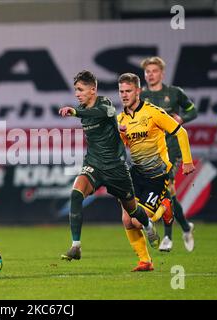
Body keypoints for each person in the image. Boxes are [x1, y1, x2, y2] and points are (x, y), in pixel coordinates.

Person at [58, 70, 161, 270]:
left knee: (133, 212)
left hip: (116, 169)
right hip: (94, 164)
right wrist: (116, 127)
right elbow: (106, 121)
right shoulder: (83, 109)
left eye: (81, 89)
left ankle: (148, 226)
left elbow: (102, 114)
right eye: (76, 90)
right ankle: (76, 246)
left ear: (93, 90)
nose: (77, 94)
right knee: (76, 193)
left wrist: (75, 112)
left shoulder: (104, 104)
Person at [117, 73, 195, 270]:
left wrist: (187, 162)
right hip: (135, 173)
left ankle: (165, 206)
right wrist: (120, 136)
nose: (124, 95)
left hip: (157, 175)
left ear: (138, 91)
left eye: (128, 91)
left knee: (137, 221)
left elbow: (181, 132)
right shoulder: (121, 119)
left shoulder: (154, 112)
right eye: (121, 91)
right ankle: (145, 261)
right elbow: (125, 146)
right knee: (127, 219)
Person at [140, 56, 197, 252]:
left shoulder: (174, 93)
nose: (150, 74)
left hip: (172, 149)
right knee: (167, 194)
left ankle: (167, 238)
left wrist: (182, 118)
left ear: (162, 73)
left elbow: (192, 110)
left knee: (167, 189)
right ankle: (186, 227)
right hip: (151, 151)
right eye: (147, 71)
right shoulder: (141, 96)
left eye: (154, 71)